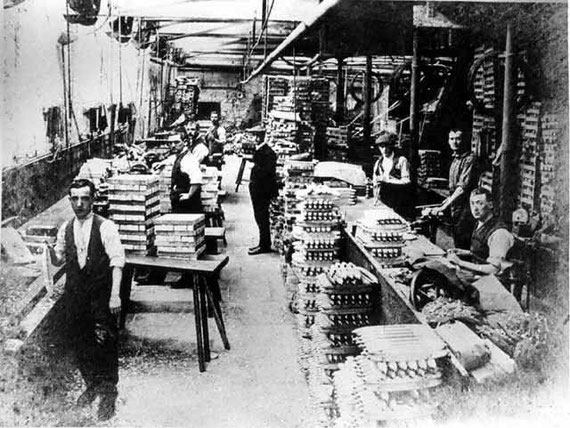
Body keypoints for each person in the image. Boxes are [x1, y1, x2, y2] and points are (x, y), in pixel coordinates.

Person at [47, 179, 124, 421]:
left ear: (93, 199)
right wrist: (49, 252)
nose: (79, 204)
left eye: (85, 198)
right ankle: (91, 384)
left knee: (105, 341)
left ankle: (109, 392)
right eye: (75, 199)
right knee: (81, 342)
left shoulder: (105, 227)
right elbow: (59, 259)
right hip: (76, 296)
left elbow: (118, 262)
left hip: (101, 294)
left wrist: (115, 295)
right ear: (70, 200)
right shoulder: (66, 228)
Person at [446, 188, 514, 276]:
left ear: (490, 205)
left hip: (492, 282)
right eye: (472, 203)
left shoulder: (499, 233)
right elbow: (484, 251)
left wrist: (460, 262)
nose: (475, 208)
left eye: (479, 203)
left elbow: (494, 269)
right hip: (479, 275)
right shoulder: (481, 223)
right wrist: (465, 252)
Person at [430, 129, 479, 249]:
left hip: (467, 206)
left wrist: (444, 206)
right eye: (452, 139)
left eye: (458, 138)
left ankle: (465, 266)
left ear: (464, 141)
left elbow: (462, 188)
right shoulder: (455, 159)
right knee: (457, 239)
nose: (455, 142)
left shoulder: (469, 159)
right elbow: (453, 187)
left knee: (463, 241)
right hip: (456, 206)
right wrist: (447, 201)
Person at [248, 132, 277, 255]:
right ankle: (263, 243)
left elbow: (267, 172)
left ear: (260, 137)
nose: (253, 139)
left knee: (262, 217)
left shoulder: (267, 152)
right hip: (258, 188)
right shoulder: (262, 150)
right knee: (259, 217)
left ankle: (264, 245)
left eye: (254, 136)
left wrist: (254, 169)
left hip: (262, 190)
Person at [372, 131, 413, 219]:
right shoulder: (378, 162)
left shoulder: (401, 160)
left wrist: (387, 180)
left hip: (399, 203)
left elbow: (407, 181)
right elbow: (375, 182)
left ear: (392, 146)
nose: (384, 150)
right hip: (385, 202)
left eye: (387, 146)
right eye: (382, 147)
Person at [170, 135, 203, 214]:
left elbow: (197, 179)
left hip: (187, 203)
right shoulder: (181, 156)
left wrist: (189, 195)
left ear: (185, 142)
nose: (173, 145)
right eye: (170, 143)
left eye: (176, 142)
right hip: (180, 199)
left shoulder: (188, 159)